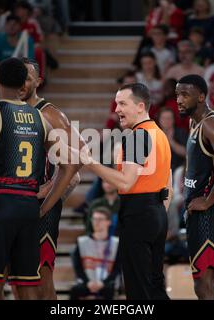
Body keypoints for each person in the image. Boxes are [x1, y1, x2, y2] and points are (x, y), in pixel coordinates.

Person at [0, 57, 75, 300]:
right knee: (28, 285)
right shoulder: (41, 119)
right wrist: (46, 203)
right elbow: (71, 166)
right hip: (29, 207)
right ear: (22, 86)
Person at [77, 83, 172, 300]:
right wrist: (157, 213)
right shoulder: (159, 133)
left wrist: (89, 162)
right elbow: (169, 184)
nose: (117, 109)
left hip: (139, 213)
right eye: (116, 103)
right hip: (156, 212)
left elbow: (126, 182)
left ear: (140, 106)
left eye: (122, 103)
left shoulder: (137, 136)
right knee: (154, 284)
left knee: (138, 289)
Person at [20, 57, 81, 300]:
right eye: (18, 76)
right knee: (17, 279)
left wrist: (51, 186)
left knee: (42, 278)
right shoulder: (4, 111)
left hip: (40, 205)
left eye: (28, 77)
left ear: (38, 82)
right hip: (13, 202)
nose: (22, 83)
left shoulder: (50, 113)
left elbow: (81, 153)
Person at [176, 74, 214, 300]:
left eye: (185, 94)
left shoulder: (211, 123)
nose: (179, 100)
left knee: (203, 285)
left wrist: (207, 200)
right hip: (204, 210)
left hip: (209, 212)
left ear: (201, 96)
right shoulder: (196, 121)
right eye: (177, 95)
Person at [70, 207, 121, 300]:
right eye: (94, 219)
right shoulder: (82, 241)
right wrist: (88, 282)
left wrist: (103, 283)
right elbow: (77, 267)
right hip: (87, 282)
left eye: (100, 219)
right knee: (75, 290)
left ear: (108, 222)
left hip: (106, 284)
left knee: (109, 290)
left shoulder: (116, 243)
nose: (96, 222)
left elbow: (117, 269)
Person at [0, 15, 34, 104]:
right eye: (9, 24)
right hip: (1, 71)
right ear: (5, 26)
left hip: (19, 72)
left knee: (30, 77)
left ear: (20, 26)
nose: (11, 27)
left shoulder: (26, 40)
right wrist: (4, 73)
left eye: (15, 24)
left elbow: (29, 63)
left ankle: (23, 106)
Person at [157, 107, 188, 172]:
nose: (166, 121)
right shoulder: (155, 134)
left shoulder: (181, 133)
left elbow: (186, 153)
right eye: (164, 118)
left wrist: (170, 141)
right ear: (159, 120)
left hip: (179, 169)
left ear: (173, 120)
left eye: (169, 118)